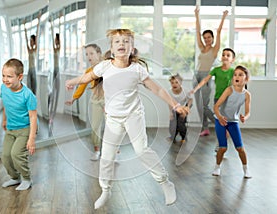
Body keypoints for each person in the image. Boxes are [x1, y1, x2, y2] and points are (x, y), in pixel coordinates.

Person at [65, 29, 189, 209]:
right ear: (112, 48)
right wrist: (74, 81)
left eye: (126, 41)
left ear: (132, 48)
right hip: (113, 119)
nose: (121, 44)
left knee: (141, 151)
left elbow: (158, 89)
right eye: (117, 42)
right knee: (106, 156)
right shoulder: (104, 66)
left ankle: (165, 183)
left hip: (133, 116)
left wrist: (175, 105)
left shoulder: (137, 69)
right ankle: (106, 190)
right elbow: (87, 77)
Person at [0, 58, 38, 190]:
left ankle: (27, 178)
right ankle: (15, 178)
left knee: (16, 154)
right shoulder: (4, 88)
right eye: (3, 76)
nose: (5, 79)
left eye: (9, 76)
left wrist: (31, 139)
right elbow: (5, 104)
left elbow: (33, 117)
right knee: (5, 156)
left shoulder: (28, 95)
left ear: (20, 77)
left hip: (26, 129)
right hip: (11, 128)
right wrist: (4, 119)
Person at [65, 44, 105, 161]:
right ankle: (97, 151)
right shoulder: (89, 71)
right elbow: (82, 85)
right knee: (95, 128)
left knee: (113, 129)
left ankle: (115, 152)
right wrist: (73, 98)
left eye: (91, 53)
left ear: (99, 54)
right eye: (86, 54)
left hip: (108, 102)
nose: (89, 57)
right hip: (95, 101)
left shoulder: (106, 67)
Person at [193, 6, 228, 136]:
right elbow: (197, 31)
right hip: (196, 76)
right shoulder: (202, 48)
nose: (207, 39)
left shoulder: (215, 49)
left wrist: (223, 17)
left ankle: (222, 123)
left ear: (212, 38)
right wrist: (197, 16)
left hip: (206, 77)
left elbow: (219, 32)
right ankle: (205, 128)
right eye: (205, 37)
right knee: (198, 105)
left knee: (205, 105)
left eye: (209, 37)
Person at [191, 48, 236, 151]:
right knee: (221, 123)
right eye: (223, 54)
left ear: (232, 59)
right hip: (218, 100)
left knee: (226, 123)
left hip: (229, 100)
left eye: (228, 55)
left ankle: (222, 143)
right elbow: (205, 80)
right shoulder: (216, 70)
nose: (225, 56)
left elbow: (238, 83)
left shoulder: (233, 72)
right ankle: (221, 144)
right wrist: (195, 89)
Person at [212, 65, 251, 178]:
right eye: (235, 75)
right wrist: (219, 117)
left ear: (246, 79)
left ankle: (246, 169)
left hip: (233, 122)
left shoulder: (247, 95)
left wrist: (245, 117)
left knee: (240, 148)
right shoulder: (229, 90)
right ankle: (217, 167)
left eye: (240, 75)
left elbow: (248, 112)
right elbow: (216, 106)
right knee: (223, 147)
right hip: (220, 120)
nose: (236, 77)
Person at [167, 74, 193, 144]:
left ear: (181, 83)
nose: (174, 84)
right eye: (172, 83)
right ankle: (173, 136)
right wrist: (171, 113)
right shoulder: (169, 92)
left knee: (180, 123)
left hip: (183, 109)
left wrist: (187, 108)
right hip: (174, 109)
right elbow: (170, 102)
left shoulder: (185, 91)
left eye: (176, 82)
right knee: (172, 124)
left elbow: (190, 100)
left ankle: (183, 137)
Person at [23, 13, 41, 95]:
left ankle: (33, 105)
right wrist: (24, 27)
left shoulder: (34, 50)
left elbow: (37, 35)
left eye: (31, 41)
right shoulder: (29, 50)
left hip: (33, 70)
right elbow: (26, 39)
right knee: (28, 88)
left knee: (34, 88)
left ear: (34, 42)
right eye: (30, 41)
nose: (30, 42)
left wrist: (38, 20)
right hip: (29, 70)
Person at [48, 16, 61, 126]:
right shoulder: (54, 48)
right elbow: (53, 38)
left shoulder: (59, 48)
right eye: (56, 40)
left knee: (57, 93)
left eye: (57, 40)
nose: (56, 42)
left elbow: (58, 40)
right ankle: (51, 115)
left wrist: (60, 20)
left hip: (58, 72)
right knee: (53, 94)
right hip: (54, 72)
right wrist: (52, 25)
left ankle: (53, 116)